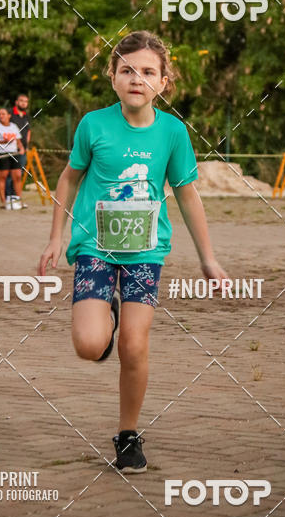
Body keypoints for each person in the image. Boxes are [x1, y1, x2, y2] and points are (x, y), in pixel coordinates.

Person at [39, 30, 227, 473]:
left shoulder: (173, 132)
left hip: (146, 253)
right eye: (126, 70)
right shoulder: (93, 125)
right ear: (112, 78)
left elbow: (187, 195)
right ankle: (107, 314)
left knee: (134, 346)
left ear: (163, 81)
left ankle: (128, 434)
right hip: (94, 249)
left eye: (147, 71)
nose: (136, 79)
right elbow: (69, 178)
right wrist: (56, 237)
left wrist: (208, 258)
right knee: (89, 345)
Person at [0, 108, 25, 208]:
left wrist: (21, 148)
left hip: (14, 153)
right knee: (3, 176)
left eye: (3, 114)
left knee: (17, 176)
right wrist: (3, 142)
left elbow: (18, 139)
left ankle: (18, 200)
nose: (1, 116)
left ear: (9, 115)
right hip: (1, 154)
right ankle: (3, 201)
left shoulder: (14, 126)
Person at [8, 93, 31, 208]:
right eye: (21, 101)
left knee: (18, 175)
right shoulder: (10, 114)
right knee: (9, 175)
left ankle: (15, 199)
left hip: (23, 151)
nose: (23, 103)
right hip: (11, 149)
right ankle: (8, 199)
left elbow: (28, 131)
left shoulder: (26, 116)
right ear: (16, 102)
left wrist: (26, 146)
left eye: (25, 101)